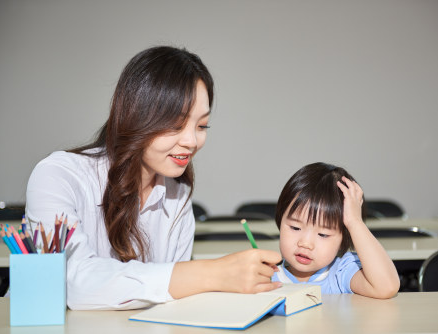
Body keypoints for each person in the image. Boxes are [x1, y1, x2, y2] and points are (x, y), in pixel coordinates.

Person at [25, 46, 281, 310]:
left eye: (202, 126)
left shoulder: (178, 196)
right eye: (175, 125)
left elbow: (170, 304)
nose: (192, 141)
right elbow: (72, 283)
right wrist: (212, 274)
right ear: (136, 116)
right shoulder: (58, 175)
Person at [271, 162, 400, 299]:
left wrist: (355, 222)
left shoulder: (341, 273)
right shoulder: (264, 277)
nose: (305, 243)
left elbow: (387, 287)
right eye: (295, 228)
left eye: (323, 234)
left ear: (344, 238)